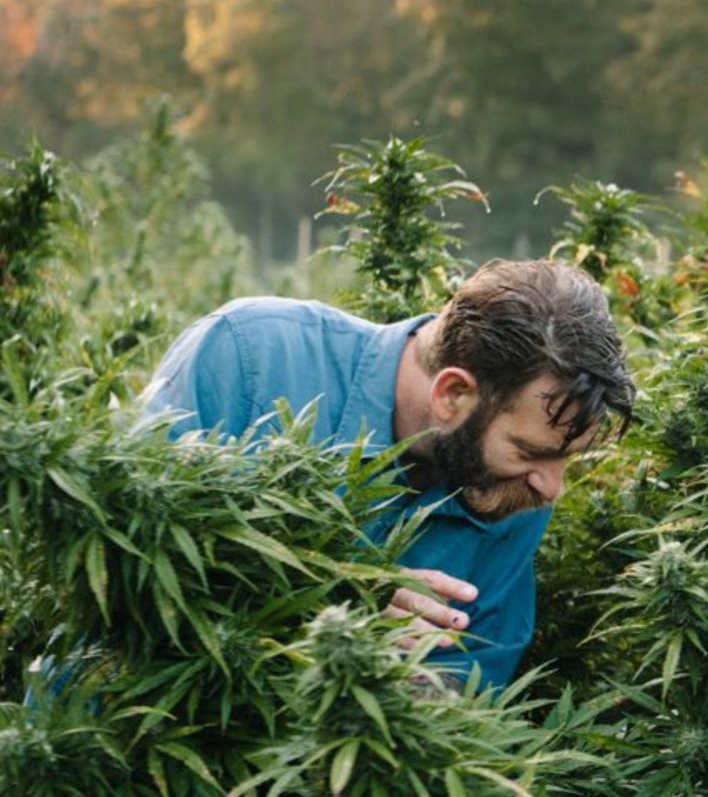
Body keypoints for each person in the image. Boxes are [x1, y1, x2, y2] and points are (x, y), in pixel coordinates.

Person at [143, 259, 634, 689]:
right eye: (529, 451)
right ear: (453, 394)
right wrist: (331, 597)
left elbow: (469, 687)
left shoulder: (515, 490)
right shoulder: (250, 355)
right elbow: (134, 550)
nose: (552, 488)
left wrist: (409, 691)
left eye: (567, 459)